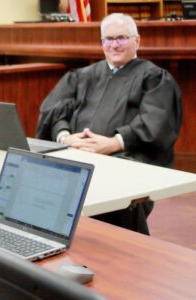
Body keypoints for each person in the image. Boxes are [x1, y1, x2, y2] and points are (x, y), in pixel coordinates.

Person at [36, 13, 182, 234]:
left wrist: (114, 143)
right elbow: (52, 111)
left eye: (121, 38)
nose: (114, 45)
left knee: (117, 182)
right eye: (108, 39)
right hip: (76, 152)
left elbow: (156, 123)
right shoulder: (84, 76)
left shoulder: (153, 78)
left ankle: (122, 254)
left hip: (126, 157)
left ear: (137, 40)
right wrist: (65, 136)